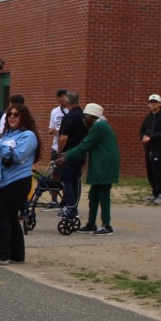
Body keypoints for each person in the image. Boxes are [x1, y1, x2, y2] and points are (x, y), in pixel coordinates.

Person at [0, 104, 41, 265]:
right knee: (11, 217)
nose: (12, 117)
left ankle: (1, 255)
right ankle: (17, 255)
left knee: (2, 216)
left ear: (23, 117)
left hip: (17, 181)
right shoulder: (7, 134)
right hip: (4, 181)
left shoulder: (28, 136)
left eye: (16, 115)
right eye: (9, 115)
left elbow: (18, 156)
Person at [55, 103, 120, 236]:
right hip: (101, 164)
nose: (84, 120)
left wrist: (66, 156)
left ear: (93, 117)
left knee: (103, 195)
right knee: (93, 195)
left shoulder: (99, 127)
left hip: (105, 165)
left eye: (86, 117)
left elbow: (84, 146)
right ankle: (91, 224)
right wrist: (67, 154)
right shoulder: (99, 126)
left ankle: (106, 225)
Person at [56, 91, 86, 219]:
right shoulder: (84, 116)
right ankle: (74, 206)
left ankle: (71, 209)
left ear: (67, 101)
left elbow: (63, 137)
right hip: (81, 152)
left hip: (68, 154)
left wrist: (59, 152)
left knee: (66, 181)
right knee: (76, 181)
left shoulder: (69, 117)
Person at [140, 93, 161, 205]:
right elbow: (142, 130)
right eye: (151, 102)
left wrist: (151, 137)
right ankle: (155, 193)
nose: (153, 104)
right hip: (148, 147)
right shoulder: (148, 117)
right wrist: (143, 137)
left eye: (155, 102)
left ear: (160, 104)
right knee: (150, 170)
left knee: (157, 169)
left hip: (159, 147)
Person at [48, 89, 68, 161]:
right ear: (57, 99)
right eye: (60, 96)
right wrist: (55, 131)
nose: (63, 98)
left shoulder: (72, 111)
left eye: (65, 96)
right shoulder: (54, 111)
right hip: (56, 148)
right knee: (54, 167)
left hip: (69, 148)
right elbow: (50, 130)